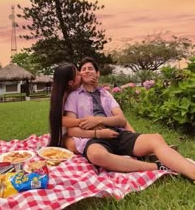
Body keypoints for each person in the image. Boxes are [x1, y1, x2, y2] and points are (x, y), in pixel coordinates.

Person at [64, 57, 195, 181]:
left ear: (97, 73)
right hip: (94, 139)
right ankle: (158, 166)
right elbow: (71, 129)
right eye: (83, 69)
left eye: (90, 68)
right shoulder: (74, 96)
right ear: (80, 74)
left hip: (117, 133)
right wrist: (97, 132)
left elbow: (121, 120)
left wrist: (98, 120)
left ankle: (191, 171)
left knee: (155, 138)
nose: (86, 70)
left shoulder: (106, 94)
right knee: (96, 155)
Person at [48, 62, 134, 153]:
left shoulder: (99, 92)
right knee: (74, 145)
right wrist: (90, 122)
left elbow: (121, 119)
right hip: (71, 131)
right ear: (70, 83)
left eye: (90, 69)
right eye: (78, 73)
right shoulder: (66, 95)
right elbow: (61, 120)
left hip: (83, 128)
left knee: (120, 119)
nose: (82, 73)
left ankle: (133, 135)